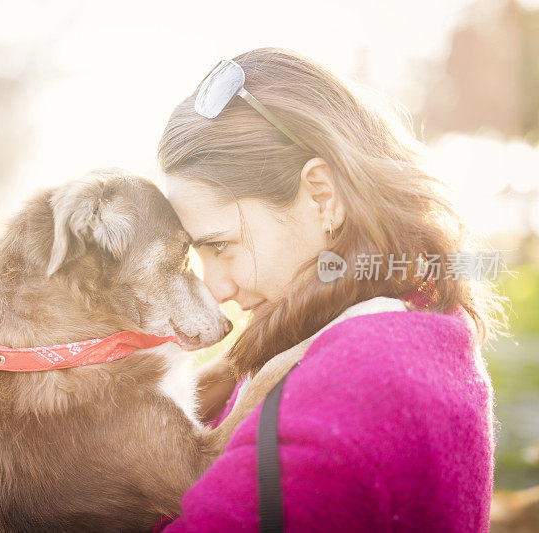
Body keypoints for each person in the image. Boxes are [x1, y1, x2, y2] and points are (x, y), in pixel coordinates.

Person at [153, 47, 509, 532]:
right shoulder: (404, 327)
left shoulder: (363, 380)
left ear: (322, 196)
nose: (214, 287)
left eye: (222, 245)